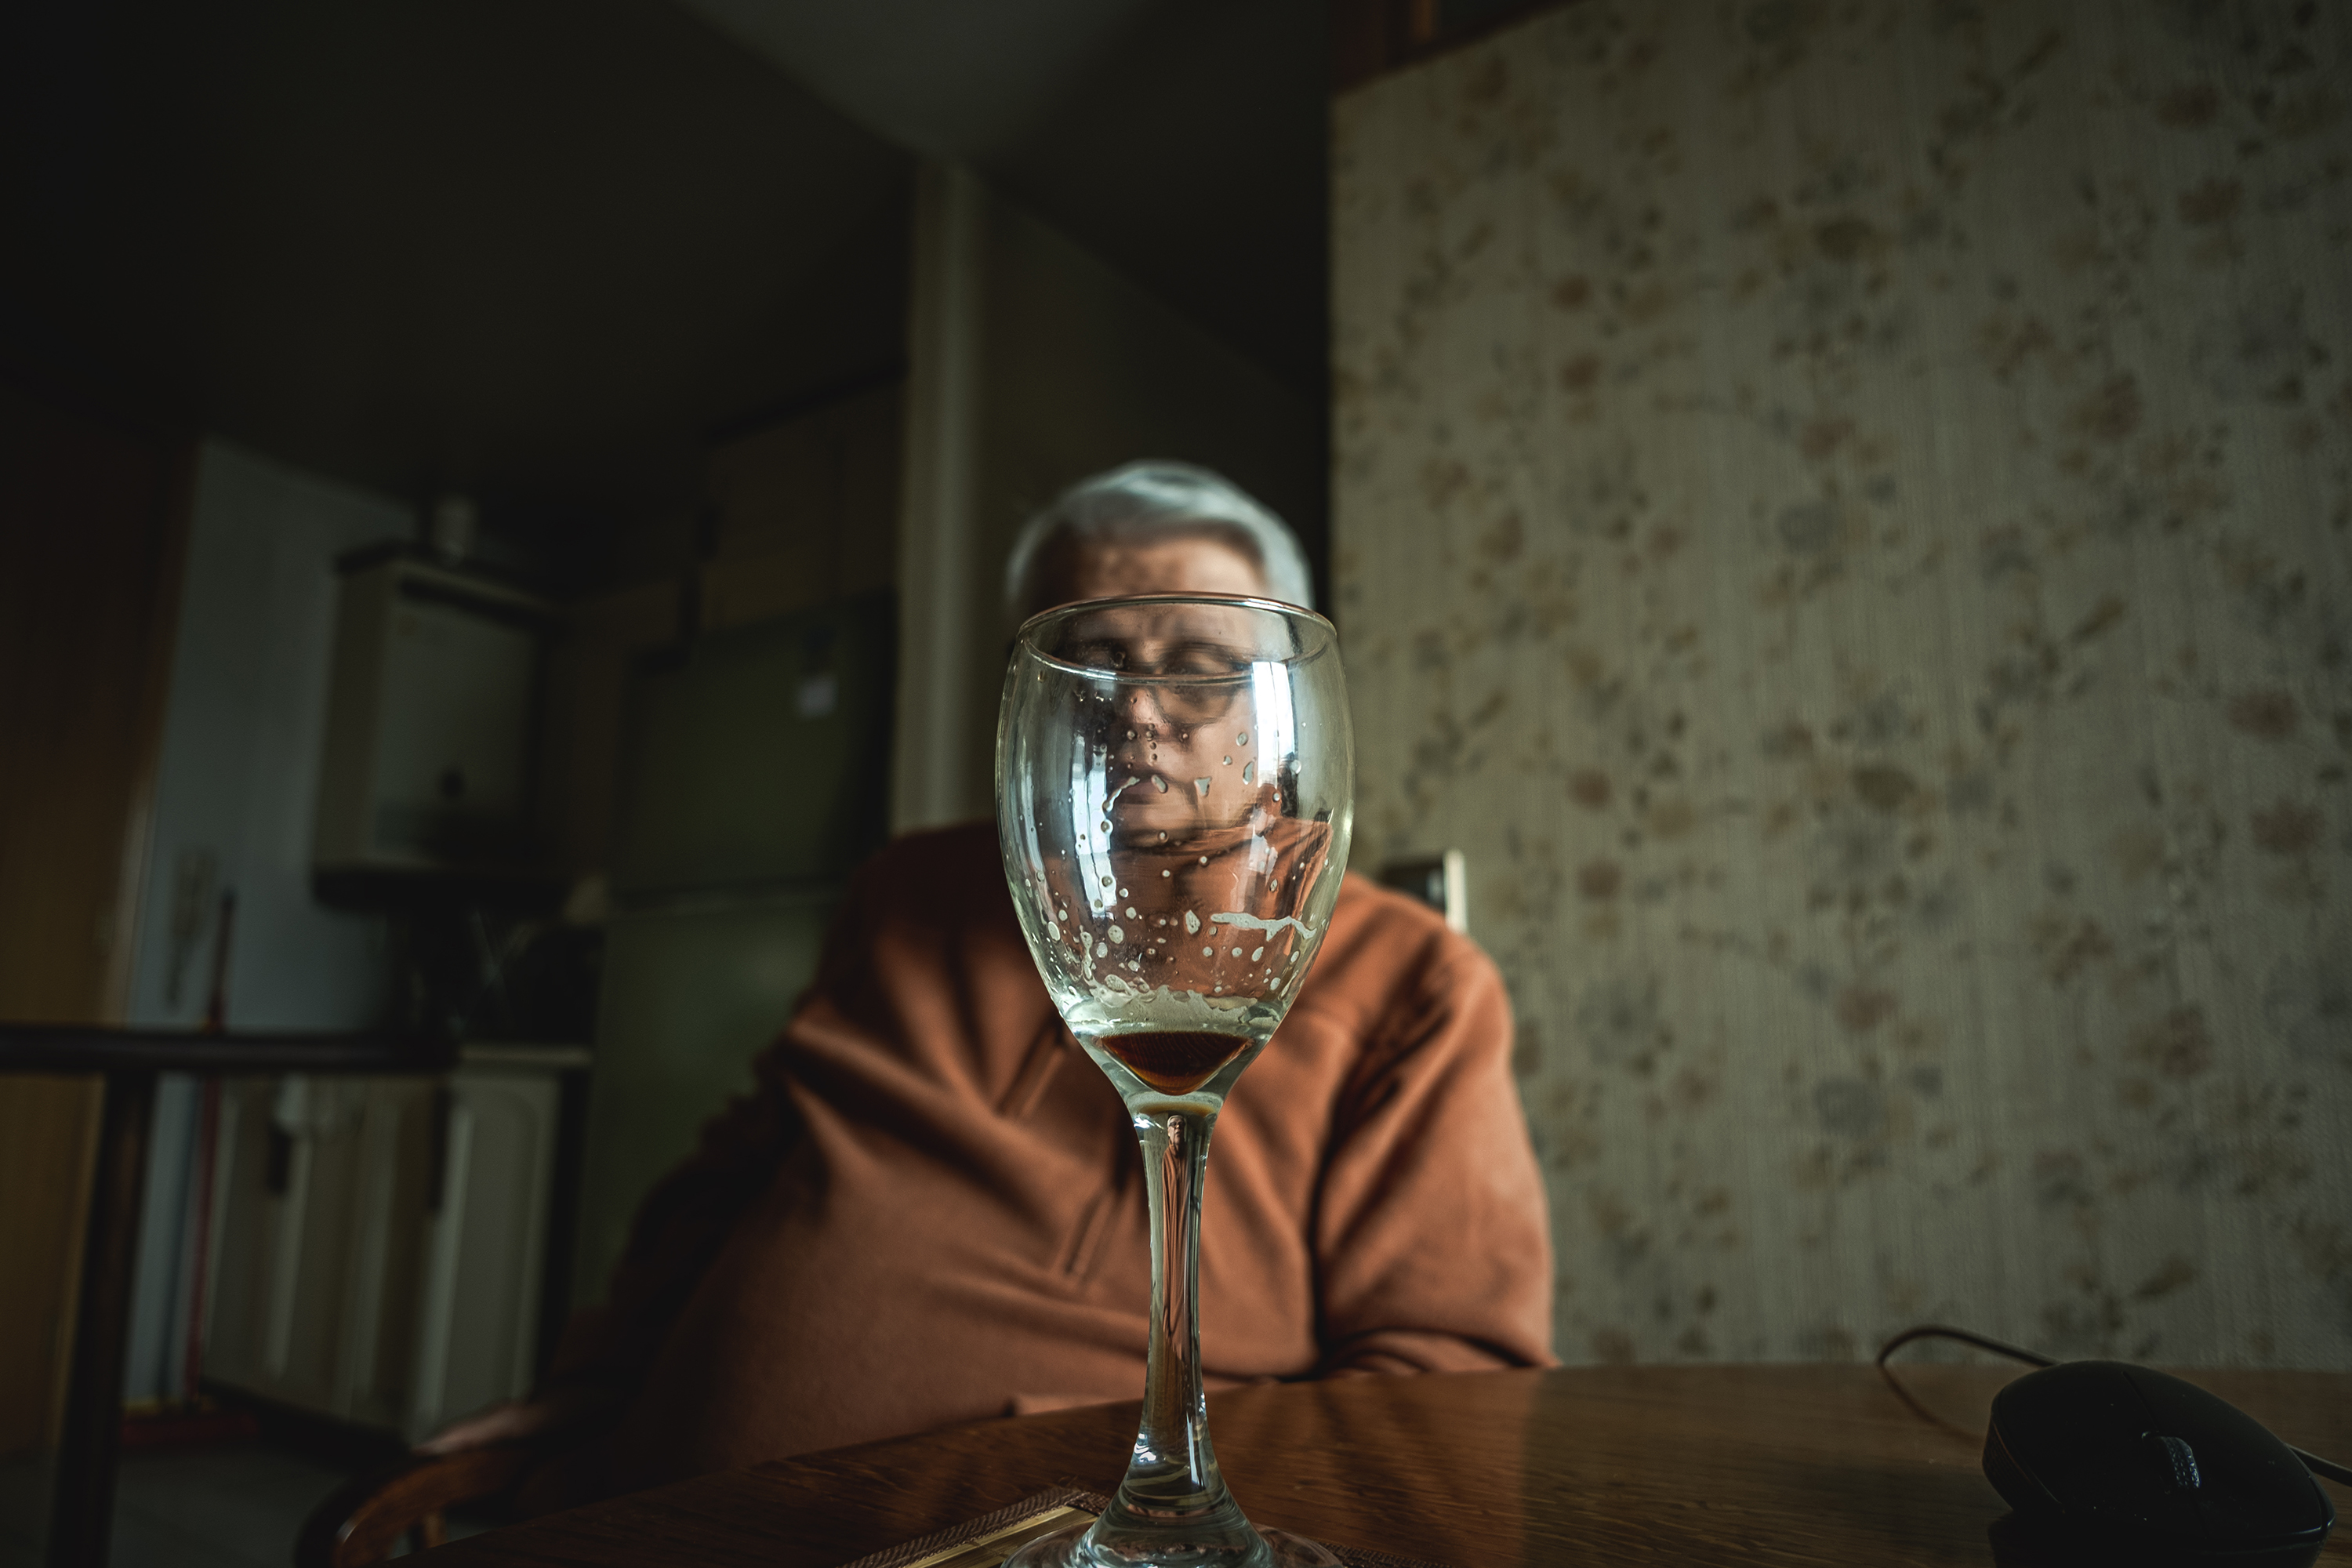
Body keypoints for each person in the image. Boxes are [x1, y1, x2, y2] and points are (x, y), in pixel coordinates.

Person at [424, 461, 1555, 1508]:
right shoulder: (907, 892)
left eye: (1201, 668)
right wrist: (596, 1376)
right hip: (665, 1509)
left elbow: (1450, 1387)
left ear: (1281, 702)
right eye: (1093, 663)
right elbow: (735, 1170)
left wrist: (1079, 1482)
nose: (1140, 712)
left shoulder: (1412, 982)